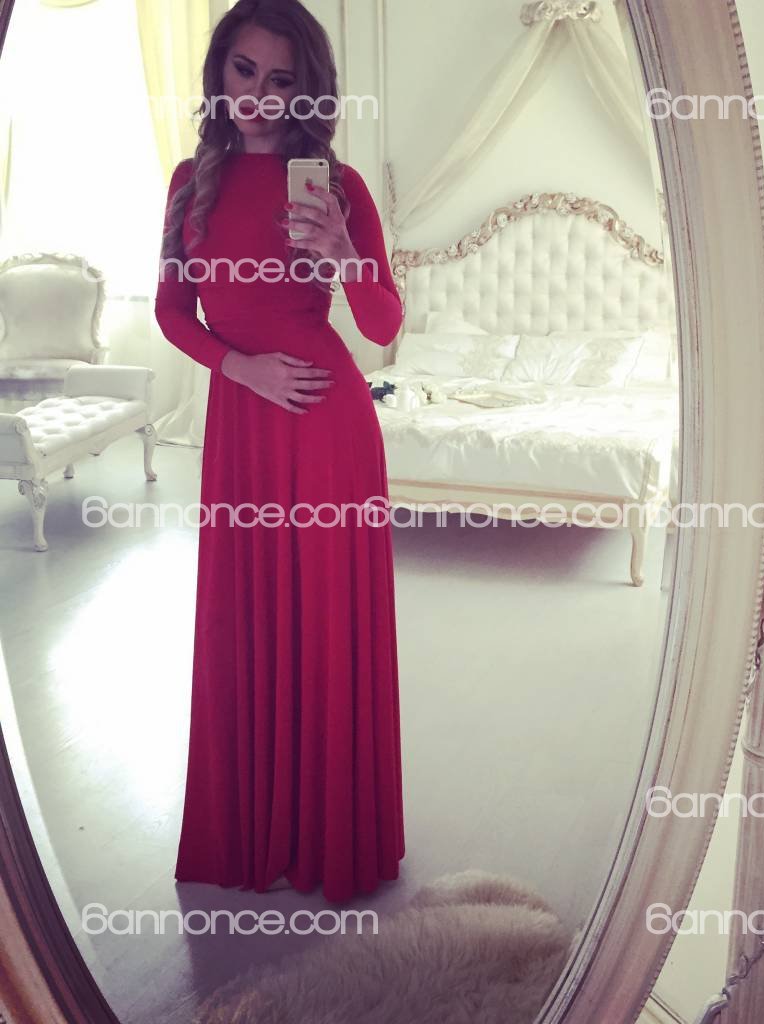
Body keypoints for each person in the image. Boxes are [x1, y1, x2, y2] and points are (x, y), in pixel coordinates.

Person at [155, 0, 405, 902]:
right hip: (243, 420)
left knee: (326, 625)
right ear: (220, 72)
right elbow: (171, 312)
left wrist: (345, 252)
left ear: (307, 90)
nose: (258, 93)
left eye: (281, 78)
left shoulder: (339, 186)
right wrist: (241, 368)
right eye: (244, 70)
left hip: (327, 427)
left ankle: (332, 837)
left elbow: (382, 325)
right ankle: (253, 830)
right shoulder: (189, 183)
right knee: (244, 617)